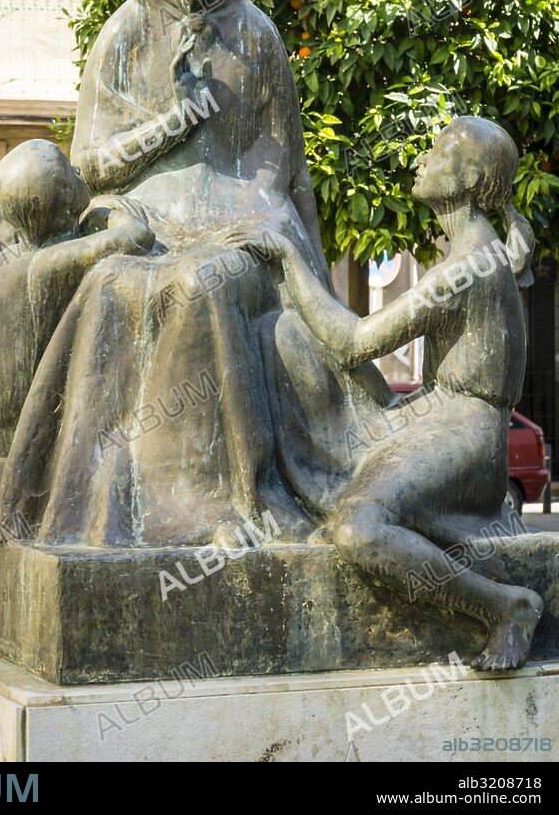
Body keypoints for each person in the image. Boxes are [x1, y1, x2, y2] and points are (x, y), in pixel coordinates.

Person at [0, 0, 390, 549]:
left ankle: (211, 499)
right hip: (143, 218)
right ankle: (98, 499)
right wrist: (175, 120)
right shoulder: (124, 35)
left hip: (240, 220)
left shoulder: (258, 36)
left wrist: (250, 216)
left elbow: (278, 165)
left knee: (207, 282)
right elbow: (87, 165)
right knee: (108, 285)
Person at [224, 117, 542, 670]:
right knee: (288, 334)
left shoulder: (467, 268)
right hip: (432, 414)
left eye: (439, 151)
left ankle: (505, 607)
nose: (424, 157)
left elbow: (354, 344)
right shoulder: (470, 255)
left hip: (466, 432)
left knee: (358, 528)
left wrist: (289, 258)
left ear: (468, 179)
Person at [0, 139, 154, 460]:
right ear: (63, 193)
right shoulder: (47, 266)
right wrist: (107, 212)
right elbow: (138, 236)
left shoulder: (10, 260)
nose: (77, 170)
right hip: (11, 439)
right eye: (68, 171)